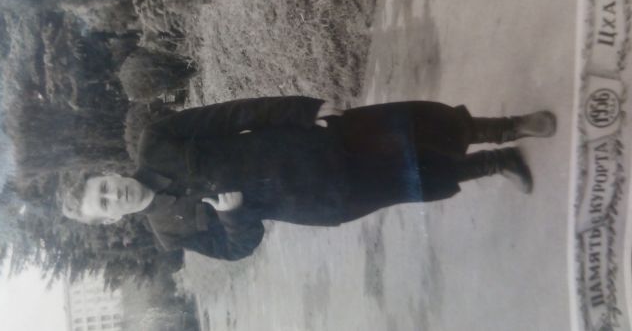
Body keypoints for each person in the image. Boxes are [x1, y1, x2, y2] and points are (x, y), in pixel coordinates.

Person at [58, 96, 556, 261]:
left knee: (413, 127)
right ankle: (497, 163)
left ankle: (508, 126)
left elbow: (232, 115)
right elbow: (236, 249)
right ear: (111, 220)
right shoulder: (169, 233)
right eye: (106, 204)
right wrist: (234, 217)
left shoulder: (156, 142)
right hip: (318, 198)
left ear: (108, 173)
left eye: (104, 187)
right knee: (414, 180)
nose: (114, 194)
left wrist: (302, 111)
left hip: (312, 143)